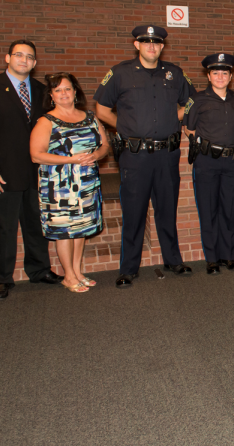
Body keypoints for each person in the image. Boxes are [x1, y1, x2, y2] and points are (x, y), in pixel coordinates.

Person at [94, 25, 195, 289]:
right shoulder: (120, 73)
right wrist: (125, 126)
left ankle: (173, 261)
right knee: (134, 212)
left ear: (162, 47)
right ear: (136, 45)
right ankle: (129, 268)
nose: (152, 46)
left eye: (157, 42)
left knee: (166, 210)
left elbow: (192, 102)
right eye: (145, 41)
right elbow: (101, 109)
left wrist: (173, 117)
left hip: (167, 154)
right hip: (135, 156)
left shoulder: (175, 73)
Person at [30, 73, 109, 292]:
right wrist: (70, 159)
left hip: (86, 184)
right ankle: (68, 276)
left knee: (81, 229)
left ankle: (77, 271)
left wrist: (96, 155)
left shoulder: (90, 117)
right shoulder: (46, 121)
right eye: (58, 90)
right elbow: (36, 155)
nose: (63, 93)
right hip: (59, 187)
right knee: (65, 230)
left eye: (67, 89)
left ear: (75, 92)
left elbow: (104, 145)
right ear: (52, 95)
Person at [0, 40, 64, 301]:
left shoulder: (40, 91)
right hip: (5, 171)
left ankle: (39, 270)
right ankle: (2, 277)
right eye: (19, 55)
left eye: (29, 57)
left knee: (36, 222)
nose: (24, 60)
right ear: (7, 58)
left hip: (37, 171)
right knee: (4, 227)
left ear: (35, 63)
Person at [185, 53, 234, 275]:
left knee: (228, 209)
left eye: (225, 73)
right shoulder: (198, 100)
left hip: (232, 162)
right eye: (216, 73)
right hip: (207, 162)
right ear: (209, 76)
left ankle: (227, 256)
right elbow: (189, 129)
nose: (220, 77)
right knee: (209, 209)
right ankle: (212, 259)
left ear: (230, 76)